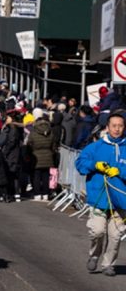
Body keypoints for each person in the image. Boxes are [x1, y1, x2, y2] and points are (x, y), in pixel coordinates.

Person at [75, 113, 126, 277]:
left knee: (115, 234)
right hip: (99, 198)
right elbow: (80, 163)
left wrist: (120, 171)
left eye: (120, 125)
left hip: (121, 200)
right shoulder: (95, 146)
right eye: (114, 125)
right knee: (97, 231)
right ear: (107, 127)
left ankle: (108, 264)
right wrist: (95, 165)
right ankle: (94, 254)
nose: (117, 129)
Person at [26, 111, 57, 201]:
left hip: (36, 156)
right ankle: (46, 194)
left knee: (36, 176)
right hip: (48, 157)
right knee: (46, 176)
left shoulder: (33, 133)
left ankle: (37, 194)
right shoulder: (50, 132)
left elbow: (29, 144)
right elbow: (53, 145)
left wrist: (29, 154)